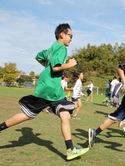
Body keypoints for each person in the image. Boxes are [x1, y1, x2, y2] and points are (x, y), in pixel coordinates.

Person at [0, 23, 89, 160]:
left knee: (61, 115)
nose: (71, 38)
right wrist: (69, 65)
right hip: (51, 88)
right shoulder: (61, 48)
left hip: (48, 86)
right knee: (32, 115)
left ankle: (70, 149)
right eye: (70, 36)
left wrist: (47, 67)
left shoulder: (51, 48)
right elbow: (55, 68)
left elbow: (38, 57)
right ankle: (70, 149)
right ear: (62, 35)